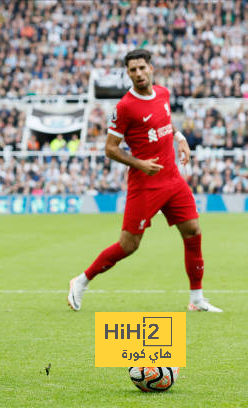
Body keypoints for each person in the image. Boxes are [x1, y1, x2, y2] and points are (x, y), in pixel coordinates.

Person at [67, 49, 222, 313]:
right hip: (145, 183)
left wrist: (180, 137)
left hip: (172, 179)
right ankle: (81, 280)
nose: (138, 74)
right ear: (128, 74)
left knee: (193, 231)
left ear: (150, 68)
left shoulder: (163, 94)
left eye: (141, 68)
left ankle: (196, 299)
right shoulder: (125, 107)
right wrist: (140, 164)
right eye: (132, 70)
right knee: (129, 245)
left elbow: (165, 123)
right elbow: (110, 148)